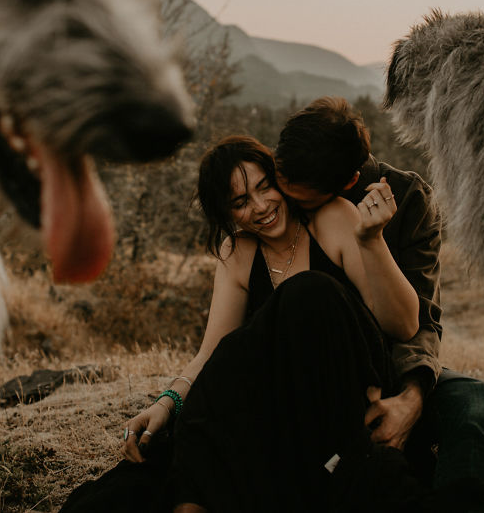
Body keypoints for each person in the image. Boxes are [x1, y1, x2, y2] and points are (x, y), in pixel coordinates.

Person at [61, 135, 427, 513]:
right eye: (240, 202)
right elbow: (211, 356)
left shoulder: (332, 217)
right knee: (128, 491)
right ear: (226, 214)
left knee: (307, 293)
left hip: (343, 384)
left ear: (279, 179)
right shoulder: (237, 253)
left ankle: (201, 495)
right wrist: (166, 404)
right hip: (280, 408)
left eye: (264, 187)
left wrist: (371, 240)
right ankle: (194, 495)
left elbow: (403, 325)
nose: (260, 206)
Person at [274, 96, 484, 512]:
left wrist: (412, 398)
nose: (289, 206)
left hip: (392, 367)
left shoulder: (410, 200)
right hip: (315, 377)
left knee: (474, 400)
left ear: (347, 184)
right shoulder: (278, 188)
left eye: (304, 203)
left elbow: (423, 318)